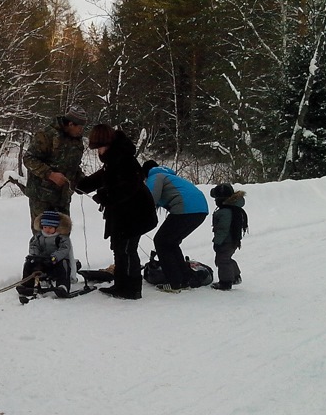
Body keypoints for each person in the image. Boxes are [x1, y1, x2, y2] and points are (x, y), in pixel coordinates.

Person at [75, 125, 157, 300]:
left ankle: (132, 288)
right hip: (124, 215)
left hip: (136, 214)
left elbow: (128, 187)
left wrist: (104, 196)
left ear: (109, 144)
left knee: (127, 250)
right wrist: (82, 186)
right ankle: (121, 285)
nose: (99, 152)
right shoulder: (114, 161)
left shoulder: (124, 160)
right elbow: (102, 177)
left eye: (100, 147)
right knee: (119, 249)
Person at [141, 160, 209, 290]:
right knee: (171, 242)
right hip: (201, 210)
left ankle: (174, 282)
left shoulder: (155, 176)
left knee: (161, 241)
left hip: (185, 209)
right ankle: (184, 278)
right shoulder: (170, 177)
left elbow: (149, 199)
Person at [23, 105, 87, 233]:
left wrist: (83, 182)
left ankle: (60, 254)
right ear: (70, 124)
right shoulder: (47, 135)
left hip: (62, 198)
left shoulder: (77, 140)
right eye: (79, 127)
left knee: (63, 237)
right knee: (42, 237)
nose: (81, 130)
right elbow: (29, 159)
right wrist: (50, 174)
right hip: (41, 197)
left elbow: (73, 166)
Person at [17, 210, 76, 297]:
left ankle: (63, 286)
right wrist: (34, 256)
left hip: (56, 262)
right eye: (45, 227)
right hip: (42, 261)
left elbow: (64, 249)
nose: (47, 230)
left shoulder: (62, 238)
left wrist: (54, 257)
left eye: (50, 228)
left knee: (64, 264)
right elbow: (34, 246)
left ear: (56, 227)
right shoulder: (39, 236)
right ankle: (27, 285)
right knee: (28, 264)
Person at [209, 183, 248, 291]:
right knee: (227, 258)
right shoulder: (233, 208)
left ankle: (225, 283)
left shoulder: (225, 212)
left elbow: (223, 229)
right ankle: (235, 277)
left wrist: (217, 241)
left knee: (222, 260)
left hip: (226, 241)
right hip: (233, 240)